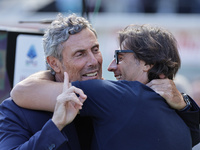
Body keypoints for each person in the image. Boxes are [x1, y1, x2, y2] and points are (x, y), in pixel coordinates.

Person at [0, 14, 199, 149]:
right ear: (54, 63)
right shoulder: (16, 111)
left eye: (95, 49)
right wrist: (54, 127)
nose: (94, 61)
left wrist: (184, 104)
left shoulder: (111, 94)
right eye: (80, 54)